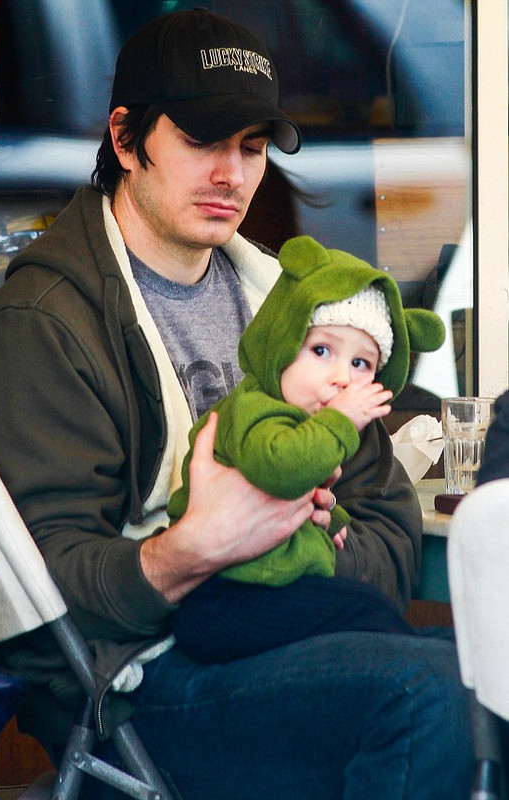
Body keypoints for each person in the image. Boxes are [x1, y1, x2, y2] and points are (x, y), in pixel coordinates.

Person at [0, 8, 473, 799]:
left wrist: (295, 550)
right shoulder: (38, 329)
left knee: (475, 678)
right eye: (201, 141)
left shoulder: (292, 309)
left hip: (296, 629)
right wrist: (192, 551)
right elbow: (36, 599)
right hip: (135, 688)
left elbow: (387, 520)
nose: (231, 174)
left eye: (252, 148)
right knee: (433, 696)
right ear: (125, 140)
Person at [168, 234, 446, 663]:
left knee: (431, 644)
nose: (341, 377)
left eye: (360, 364)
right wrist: (341, 422)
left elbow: (307, 496)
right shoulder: (255, 408)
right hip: (224, 599)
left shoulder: (307, 422)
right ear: (281, 346)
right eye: (321, 350)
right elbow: (279, 467)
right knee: (372, 617)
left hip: (270, 587)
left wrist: (331, 523)